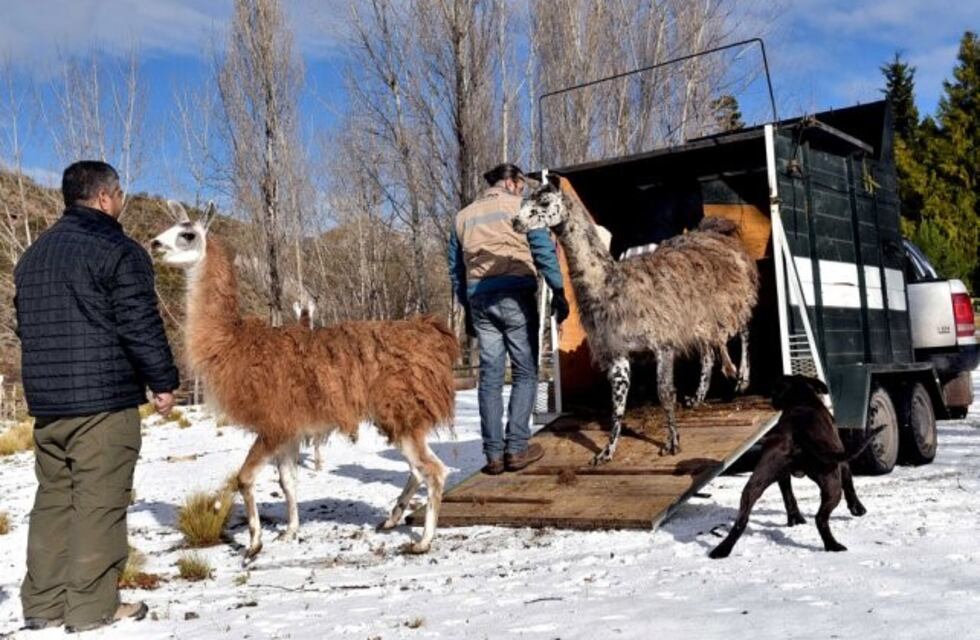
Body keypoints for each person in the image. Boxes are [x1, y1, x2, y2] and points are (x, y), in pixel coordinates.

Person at [14, 161, 179, 633]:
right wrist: (162, 381)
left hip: (49, 407)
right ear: (106, 197)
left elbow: (27, 327)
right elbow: (139, 324)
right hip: (103, 404)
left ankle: (43, 604)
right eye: (121, 192)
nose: (122, 199)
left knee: (53, 503)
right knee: (99, 504)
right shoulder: (117, 250)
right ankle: (91, 607)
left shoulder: (34, 255)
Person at [448, 163, 568, 475]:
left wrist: (468, 307)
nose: (524, 189)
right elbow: (543, 250)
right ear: (512, 182)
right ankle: (516, 448)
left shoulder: (463, 216)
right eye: (521, 184)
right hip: (516, 294)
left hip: (480, 300)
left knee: (489, 377)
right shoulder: (522, 207)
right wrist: (559, 290)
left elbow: (456, 269)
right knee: (526, 371)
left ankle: (493, 455)